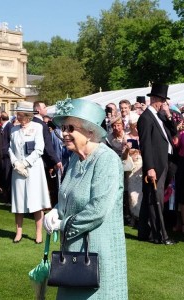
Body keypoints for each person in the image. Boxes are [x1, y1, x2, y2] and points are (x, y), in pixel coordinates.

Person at [43, 98, 128, 299]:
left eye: (70, 128)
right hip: (72, 253)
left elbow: (98, 209)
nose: (64, 133)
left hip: (98, 252)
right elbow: (68, 195)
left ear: (91, 132)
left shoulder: (106, 160)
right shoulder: (74, 158)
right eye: (63, 128)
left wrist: (63, 224)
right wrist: (56, 209)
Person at [137, 83, 178, 245]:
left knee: (151, 198)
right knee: (155, 199)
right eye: (162, 100)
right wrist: (150, 167)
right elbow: (145, 145)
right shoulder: (146, 118)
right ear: (154, 99)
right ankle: (159, 235)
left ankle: (143, 231)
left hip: (165, 161)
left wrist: (168, 115)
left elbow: (173, 133)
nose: (163, 104)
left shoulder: (160, 116)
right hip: (155, 165)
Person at [9, 101, 51, 244]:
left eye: (20, 114)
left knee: (36, 201)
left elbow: (39, 148)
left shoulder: (37, 127)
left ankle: (38, 232)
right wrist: (15, 163)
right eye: (17, 114)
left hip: (33, 169)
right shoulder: (13, 130)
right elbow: (10, 149)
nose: (18, 117)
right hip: (18, 170)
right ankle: (18, 232)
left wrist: (25, 163)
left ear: (27, 115)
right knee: (18, 200)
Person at [33, 101, 62, 207]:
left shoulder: (34, 123)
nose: (46, 109)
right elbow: (47, 146)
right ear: (38, 110)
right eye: (44, 107)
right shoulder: (41, 125)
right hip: (43, 161)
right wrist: (56, 160)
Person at [122, 112, 142, 226]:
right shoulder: (127, 136)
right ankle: (134, 216)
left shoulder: (143, 135)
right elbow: (124, 155)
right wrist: (127, 149)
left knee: (140, 193)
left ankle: (140, 217)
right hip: (131, 166)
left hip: (142, 165)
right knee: (131, 194)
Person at [0, 111, 13, 204]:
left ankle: (9, 198)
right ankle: (5, 197)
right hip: (3, 157)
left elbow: (11, 142)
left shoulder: (10, 127)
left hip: (7, 157)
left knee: (8, 177)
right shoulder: (3, 127)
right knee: (4, 176)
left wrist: (2, 150)